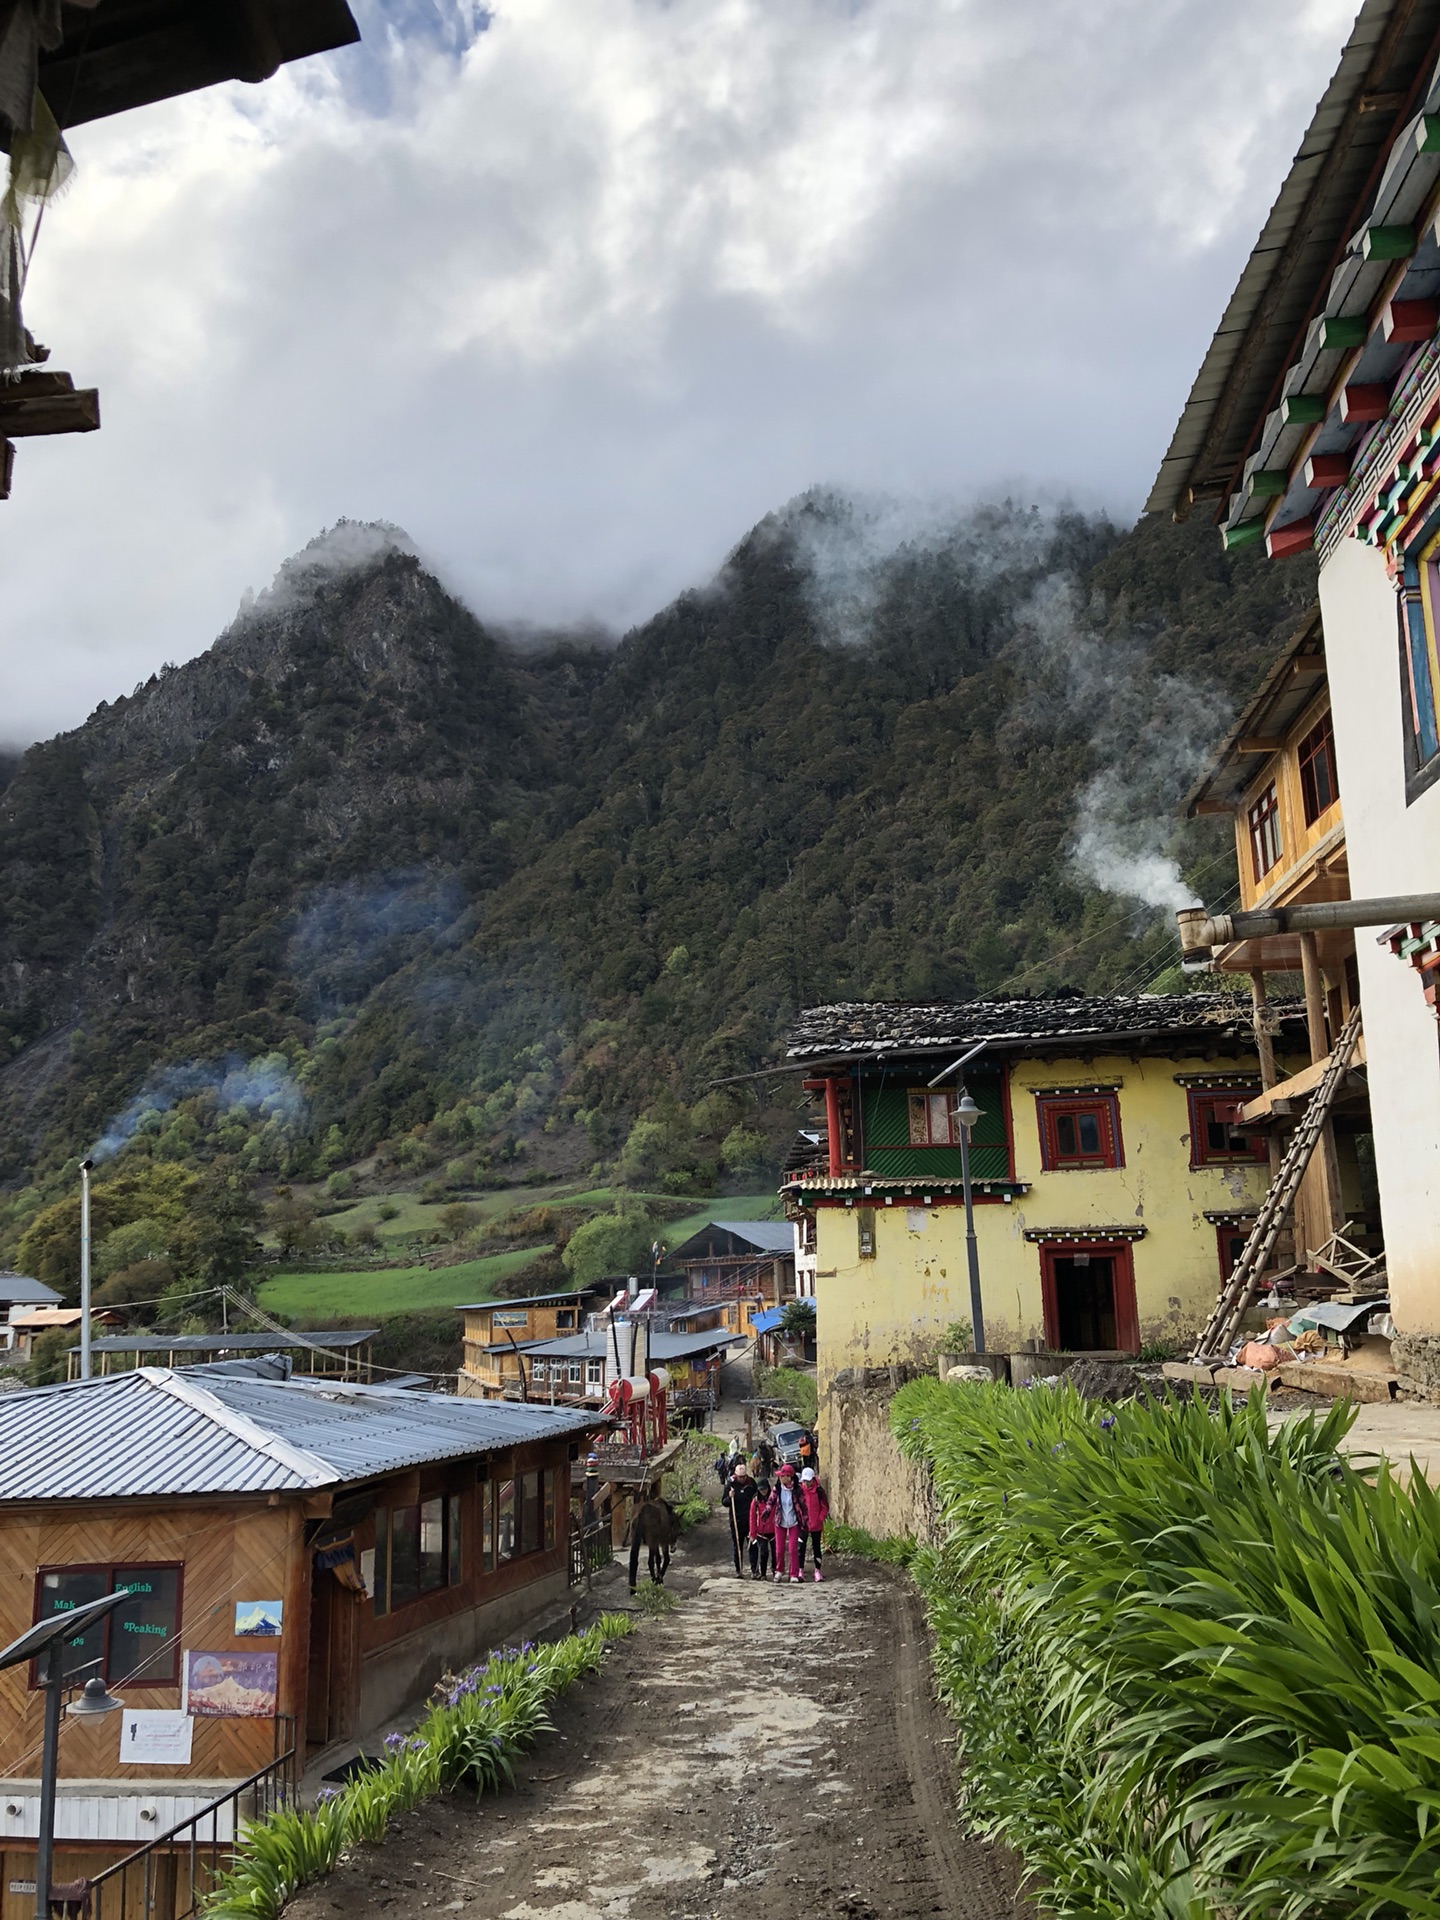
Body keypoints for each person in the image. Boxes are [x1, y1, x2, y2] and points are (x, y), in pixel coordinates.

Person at [722, 1461, 758, 1577]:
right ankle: (739, 1570)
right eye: (739, 1477)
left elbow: (758, 1497)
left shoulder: (751, 1483)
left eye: (743, 1477)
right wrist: (729, 1497)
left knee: (752, 1545)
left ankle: (754, 1570)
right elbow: (724, 1502)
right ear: (736, 1475)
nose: (742, 1479)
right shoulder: (730, 1485)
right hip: (736, 1521)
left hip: (750, 1520)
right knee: (737, 1545)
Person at [796, 1466, 830, 1581]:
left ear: (813, 1479)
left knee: (816, 1548)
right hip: (803, 1525)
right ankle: (800, 1570)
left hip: (816, 1525)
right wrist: (800, 1518)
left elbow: (825, 1507)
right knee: (801, 1547)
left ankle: (817, 1571)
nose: (806, 1483)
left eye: (808, 1480)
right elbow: (797, 1506)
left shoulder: (819, 1492)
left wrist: (820, 1518)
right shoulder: (799, 1491)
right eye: (804, 1481)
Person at [773, 1462, 802, 1583]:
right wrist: (765, 1514)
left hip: (793, 1523)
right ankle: (779, 1570)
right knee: (779, 1549)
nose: (780, 1478)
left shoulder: (797, 1490)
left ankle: (794, 1573)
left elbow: (803, 1506)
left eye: (782, 1476)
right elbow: (770, 1502)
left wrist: (804, 1520)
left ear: (789, 1477)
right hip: (780, 1522)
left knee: (792, 1549)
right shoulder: (777, 1489)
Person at [748, 1476, 775, 1580]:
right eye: (761, 1489)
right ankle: (763, 1573)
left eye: (765, 1489)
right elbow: (752, 1517)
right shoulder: (755, 1501)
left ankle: (775, 1570)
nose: (763, 1491)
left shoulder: (773, 1498)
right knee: (764, 1553)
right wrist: (752, 1533)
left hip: (773, 1530)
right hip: (761, 1531)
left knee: (775, 1553)